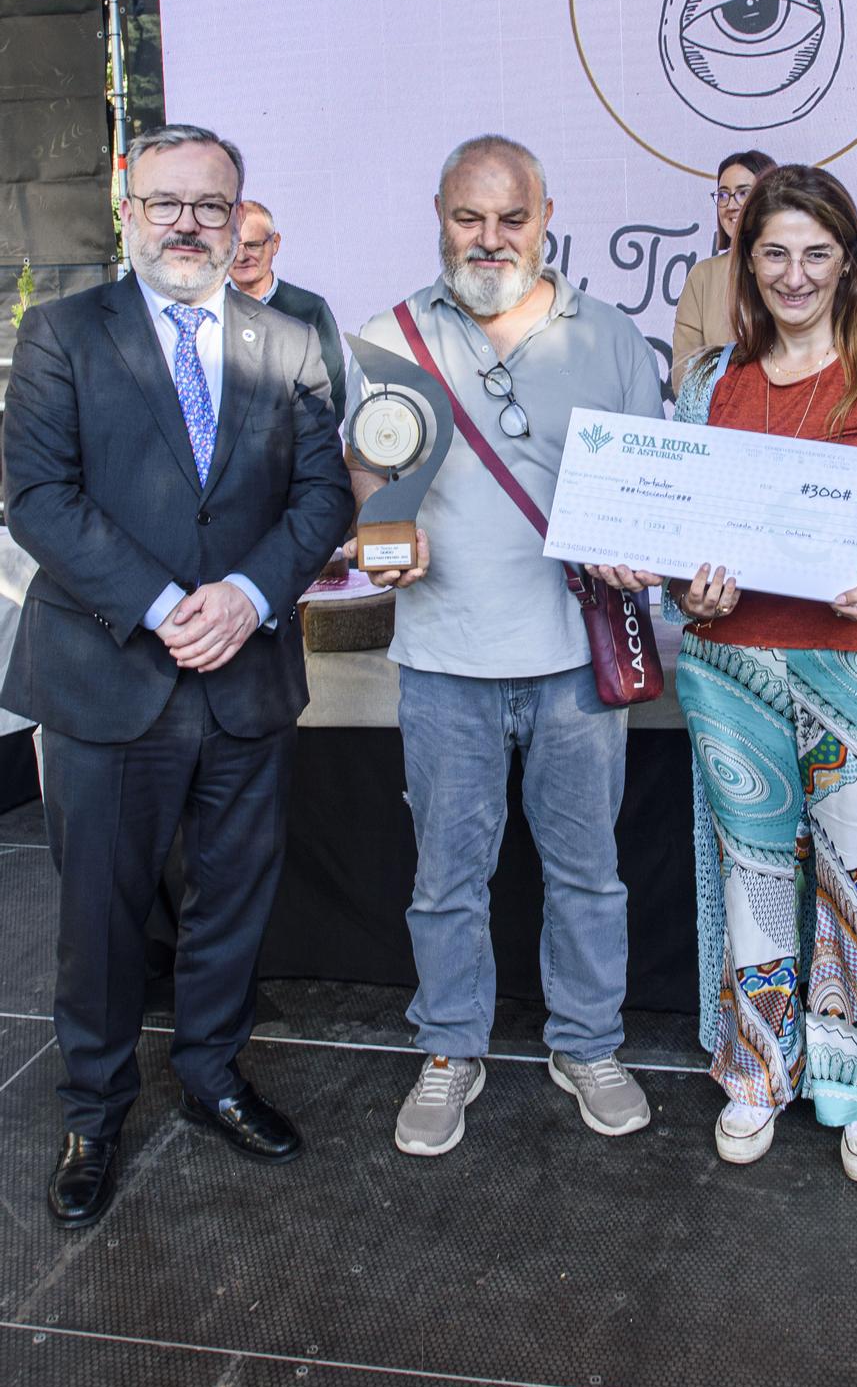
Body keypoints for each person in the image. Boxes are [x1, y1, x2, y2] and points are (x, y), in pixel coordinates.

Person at [1, 124, 353, 1228]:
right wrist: (165, 607)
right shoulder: (60, 332)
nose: (188, 221)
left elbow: (323, 497)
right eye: (167, 202)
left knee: (233, 899)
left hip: (245, 673)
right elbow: (39, 497)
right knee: (100, 913)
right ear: (130, 207)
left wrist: (246, 596)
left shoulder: (288, 339)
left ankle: (209, 1076)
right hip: (110, 670)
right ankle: (93, 1110)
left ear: (240, 213)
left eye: (210, 203)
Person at [599, 164, 857, 1182]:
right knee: (755, 880)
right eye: (774, 251)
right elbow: (683, 548)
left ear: (849, 260)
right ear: (743, 259)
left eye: (816, 252)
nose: (795, 272)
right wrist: (691, 595)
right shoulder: (706, 379)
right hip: (732, 671)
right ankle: (757, 1071)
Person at [345, 134, 664, 1157]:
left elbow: (650, 489)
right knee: (445, 877)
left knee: (589, 873)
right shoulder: (387, 338)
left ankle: (589, 1042)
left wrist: (638, 549)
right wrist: (378, 532)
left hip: (575, 659)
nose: (489, 239)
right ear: (438, 211)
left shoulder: (610, 336)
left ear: (546, 212)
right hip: (443, 656)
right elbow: (367, 474)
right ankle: (448, 1050)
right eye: (468, 218)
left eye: (510, 218)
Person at [228, 198, 347, 422]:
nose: (242, 256)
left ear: (275, 243)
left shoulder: (310, 309)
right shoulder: (207, 311)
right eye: (233, 246)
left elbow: (334, 392)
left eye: (252, 245)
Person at [670, 149, 777, 393]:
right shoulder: (703, 276)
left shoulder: (790, 272)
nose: (730, 205)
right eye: (723, 195)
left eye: (743, 193)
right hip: (719, 424)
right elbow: (683, 375)